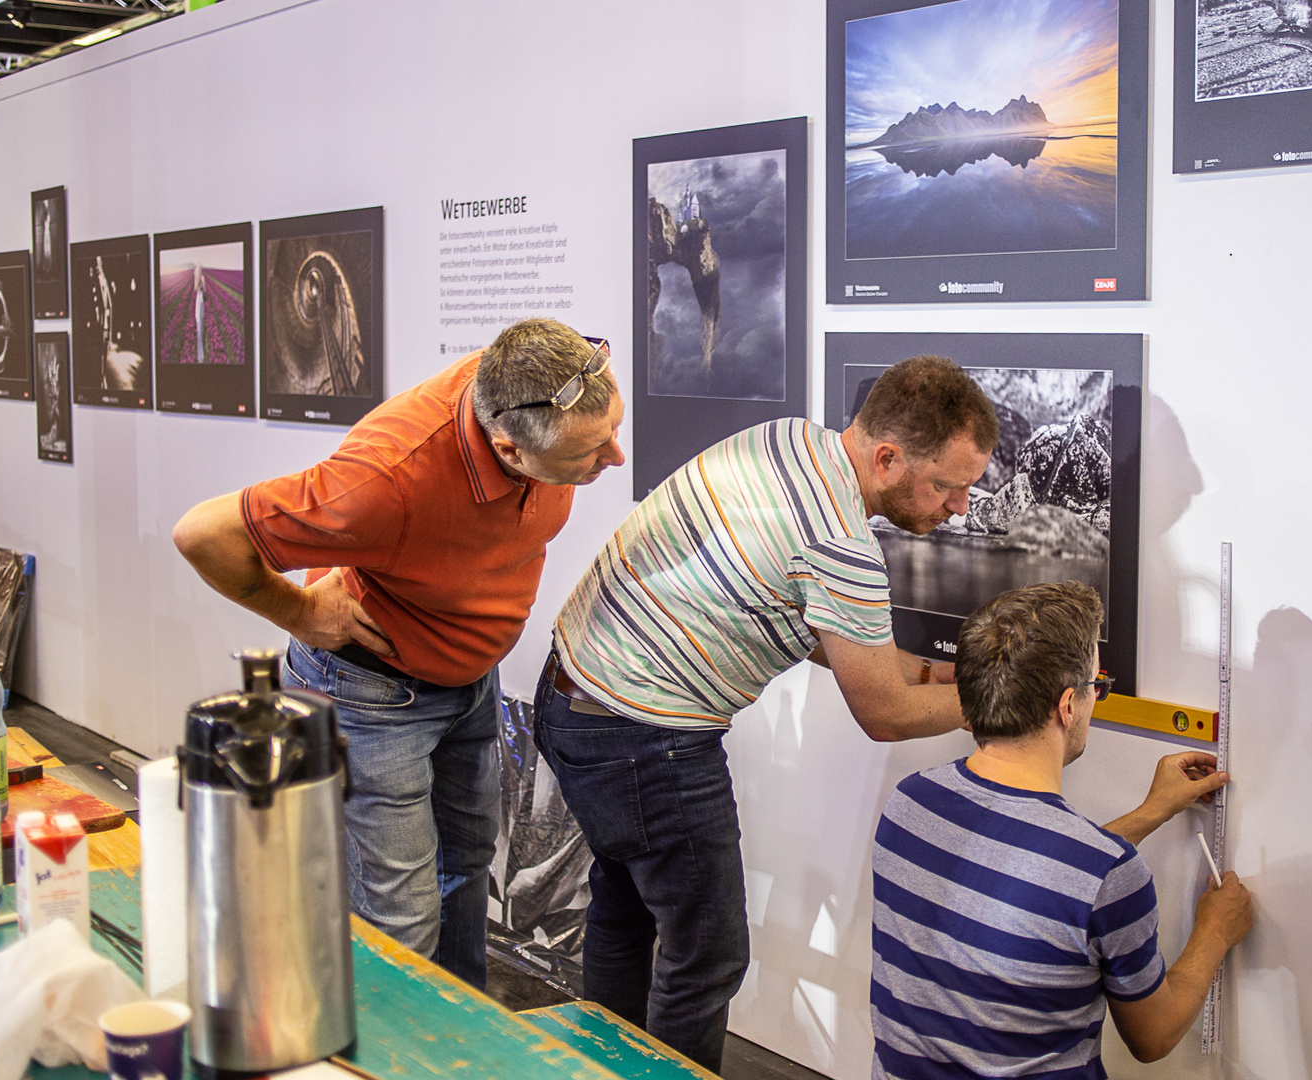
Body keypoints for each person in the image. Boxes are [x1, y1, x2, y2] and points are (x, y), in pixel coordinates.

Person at [536, 355, 999, 1072]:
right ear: (887, 458)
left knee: (625, 911)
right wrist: (992, 696)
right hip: (642, 737)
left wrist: (931, 671)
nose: (961, 507)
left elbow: (811, 627)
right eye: (950, 486)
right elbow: (883, 711)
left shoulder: (788, 442)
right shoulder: (841, 545)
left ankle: (602, 1068)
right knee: (709, 956)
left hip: (574, 695)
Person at [172, 318, 624, 987]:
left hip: (467, 685)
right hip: (372, 698)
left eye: (613, 430)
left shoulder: (536, 378)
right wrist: (298, 612)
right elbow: (203, 533)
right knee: (401, 918)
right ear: (509, 448)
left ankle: (459, 1038)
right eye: (589, 454)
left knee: (466, 866)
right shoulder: (384, 479)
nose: (614, 458)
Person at [870, 581, 1254, 1079]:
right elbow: (1152, 1037)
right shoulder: (1107, 875)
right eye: (1098, 686)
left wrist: (1150, 812)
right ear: (1068, 704)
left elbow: (1034, 885)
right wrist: (1212, 933)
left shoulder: (910, 802)